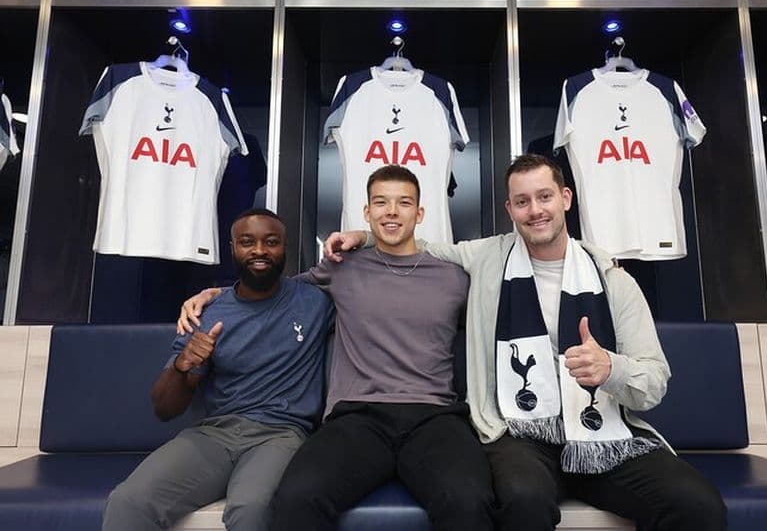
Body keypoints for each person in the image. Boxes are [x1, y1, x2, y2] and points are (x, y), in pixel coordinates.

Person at [325, 154, 726, 530]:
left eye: (544, 197)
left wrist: (611, 369)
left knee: (697, 504)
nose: (535, 210)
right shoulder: (486, 258)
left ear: (565, 198)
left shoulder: (612, 278)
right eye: (522, 201)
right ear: (510, 210)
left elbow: (654, 379)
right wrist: (363, 234)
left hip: (603, 436)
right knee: (522, 498)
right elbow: (414, 243)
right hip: (518, 434)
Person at [178, 165, 494, 530]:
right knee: (297, 499)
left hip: (434, 415)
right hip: (358, 416)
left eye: (403, 203)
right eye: (381, 202)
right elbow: (269, 293)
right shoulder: (341, 268)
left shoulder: (453, 276)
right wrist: (215, 296)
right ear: (367, 212)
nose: (391, 211)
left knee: (469, 501)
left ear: (419, 213)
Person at [102, 208, 334, 531]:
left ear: (285, 247)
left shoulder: (315, 302)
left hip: (281, 434)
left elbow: (373, 278)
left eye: (271, 242)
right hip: (213, 434)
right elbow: (165, 408)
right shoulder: (206, 313)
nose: (259, 251)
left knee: (251, 508)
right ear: (232, 248)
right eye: (247, 242)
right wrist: (183, 366)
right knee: (128, 501)